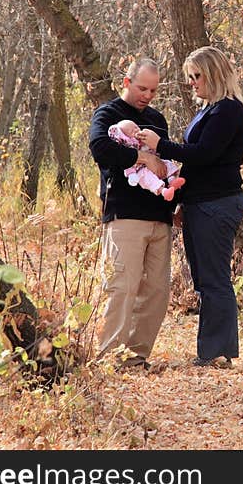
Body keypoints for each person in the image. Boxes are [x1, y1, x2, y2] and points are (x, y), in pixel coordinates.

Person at [137, 46, 243, 368]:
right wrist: (183, 202)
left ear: (213, 74)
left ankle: (217, 352)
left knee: (214, 279)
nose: (191, 83)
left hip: (218, 203)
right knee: (203, 278)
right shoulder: (208, 110)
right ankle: (211, 349)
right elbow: (196, 162)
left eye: (196, 76)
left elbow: (203, 154)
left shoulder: (228, 110)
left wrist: (161, 146)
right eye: (189, 77)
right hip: (201, 204)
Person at [89, 58, 176, 370]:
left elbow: (165, 160)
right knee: (122, 287)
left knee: (156, 291)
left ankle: (136, 359)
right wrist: (141, 157)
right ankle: (107, 359)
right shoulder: (108, 114)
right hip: (124, 214)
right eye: (142, 88)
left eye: (153, 90)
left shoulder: (157, 119)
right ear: (126, 82)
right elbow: (100, 148)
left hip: (159, 216)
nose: (147, 95)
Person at [108, 119, 185, 200]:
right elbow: (128, 165)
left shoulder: (144, 139)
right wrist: (132, 175)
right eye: (131, 131)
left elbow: (155, 149)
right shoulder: (128, 150)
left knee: (168, 164)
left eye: (136, 127)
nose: (136, 130)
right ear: (126, 137)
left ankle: (172, 180)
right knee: (149, 179)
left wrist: (151, 142)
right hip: (141, 170)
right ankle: (164, 191)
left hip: (157, 162)